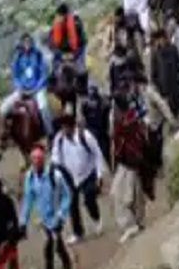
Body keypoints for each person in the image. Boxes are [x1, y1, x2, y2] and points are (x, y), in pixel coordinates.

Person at [18, 146, 73, 269]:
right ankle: (66, 265)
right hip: (43, 217)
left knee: (51, 243)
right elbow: (28, 199)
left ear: (43, 161)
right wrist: (23, 221)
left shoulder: (55, 176)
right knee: (57, 243)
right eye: (34, 160)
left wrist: (61, 215)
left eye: (39, 159)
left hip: (56, 216)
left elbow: (67, 196)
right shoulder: (30, 178)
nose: (36, 163)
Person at [50, 114, 106, 244]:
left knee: (89, 197)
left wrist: (99, 174)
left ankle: (96, 219)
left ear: (72, 127)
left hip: (88, 173)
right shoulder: (59, 139)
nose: (63, 130)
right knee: (71, 204)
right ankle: (78, 232)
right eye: (62, 127)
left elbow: (97, 154)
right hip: (70, 176)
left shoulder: (85, 137)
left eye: (65, 127)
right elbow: (55, 158)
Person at [110, 90, 148, 243]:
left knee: (122, 196)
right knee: (133, 194)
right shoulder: (129, 118)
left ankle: (131, 225)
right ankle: (137, 222)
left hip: (130, 163)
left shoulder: (126, 122)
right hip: (128, 163)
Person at [1, 34, 54, 137]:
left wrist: (36, 88)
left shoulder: (38, 55)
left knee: (44, 107)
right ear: (22, 44)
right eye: (25, 42)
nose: (27, 44)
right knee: (4, 107)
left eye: (29, 41)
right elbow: (15, 76)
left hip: (37, 89)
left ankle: (50, 132)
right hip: (22, 89)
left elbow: (43, 74)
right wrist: (20, 88)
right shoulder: (18, 58)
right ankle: (2, 133)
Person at [149, 28, 179, 117]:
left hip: (176, 87)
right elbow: (154, 74)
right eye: (157, 40)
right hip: (165, 90)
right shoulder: (155, 54)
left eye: (161, 39)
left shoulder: (173, 49)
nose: (160, 42)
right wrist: (159, 88)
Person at [49, 2, 88, 78]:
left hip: (75, 54)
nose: (60, 18)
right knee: (53, 72)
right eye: (59, 15)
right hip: (60, 54)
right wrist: (60, 54)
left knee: (82, 71)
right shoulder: (55, 26)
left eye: (61, 16)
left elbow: (83, 42)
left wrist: (74, 54)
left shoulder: (77, 24)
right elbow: (51, 43)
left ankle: (85, 88)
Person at [80, 85, 112, 167]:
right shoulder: (103, 103)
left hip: (98, 133)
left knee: (102, 155)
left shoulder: (86, 103)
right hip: (97, 133)